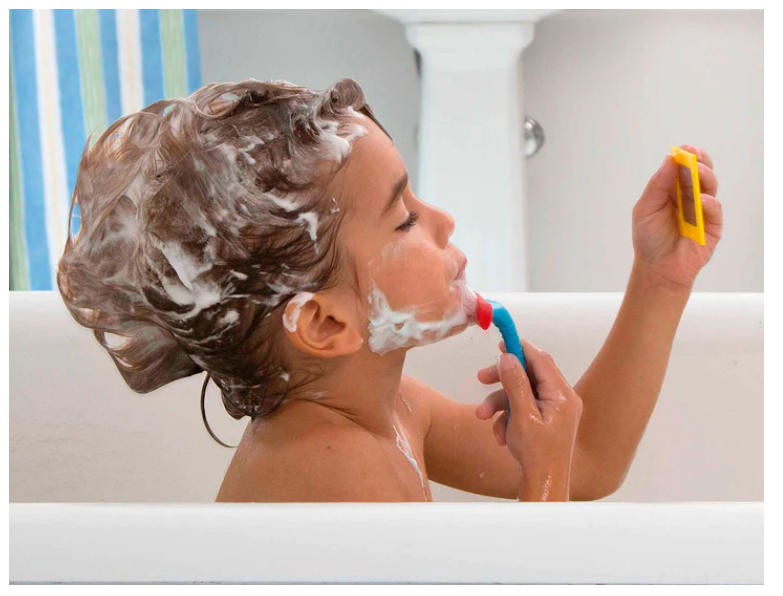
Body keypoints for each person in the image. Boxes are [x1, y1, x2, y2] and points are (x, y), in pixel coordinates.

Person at [58, 78, 723, 502]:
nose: (442, 220)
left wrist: (660, 279)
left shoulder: (390, 409)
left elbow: (592, 461)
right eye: (403, 217)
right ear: (325, 324)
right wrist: (542, 479)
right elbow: (563, 484)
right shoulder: (331, 471)